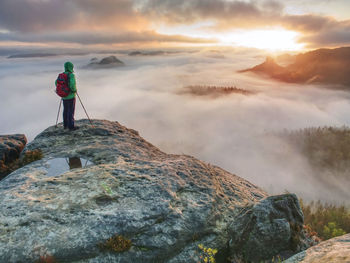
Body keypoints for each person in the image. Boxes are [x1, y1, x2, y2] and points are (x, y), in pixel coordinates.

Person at [58, 61, 79, 131]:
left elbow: (56, 83)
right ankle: (71, 126)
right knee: (71, 111)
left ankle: (65, 125)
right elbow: (72, 86)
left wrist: (63, 90)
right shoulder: (71, 75)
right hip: (71, 96)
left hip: (64, 96)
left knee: (65, 110)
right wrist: (75, 90)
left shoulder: (61, 75)